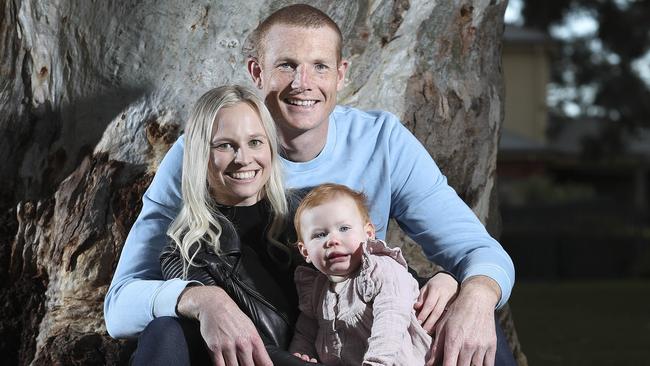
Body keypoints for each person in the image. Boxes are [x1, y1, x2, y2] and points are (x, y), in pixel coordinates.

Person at [104, 4, 516, 366]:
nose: (303, 82)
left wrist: (474, 294)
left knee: (473, 322)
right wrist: (201, 299)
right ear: (256, 72)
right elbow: (121, 302)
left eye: (319, 66)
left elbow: (478, 252)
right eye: (286, 65)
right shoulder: (202, 150)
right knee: (165, 333)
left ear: (341, 75)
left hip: (355, 325)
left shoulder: (382, 142)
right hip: (250, 332)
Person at [145, 84, 313, 365]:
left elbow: (375, 266)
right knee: (164, 332)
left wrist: (415, 292)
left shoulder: (312, 206)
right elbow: (247, 349)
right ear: (202, 154)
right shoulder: (188, 250)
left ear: (271, 147)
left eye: (255, 142)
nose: (244, 159)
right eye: (225, 145)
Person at [289, 183, 459, 365]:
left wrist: (377, 362)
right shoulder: (317, 290)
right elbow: (305, 332)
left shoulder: (381, 269)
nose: (332, 240)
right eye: (320, 234)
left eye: (344, 228)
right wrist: (300, 353)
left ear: (368, 233)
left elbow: (392, 316)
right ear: (305, 251)